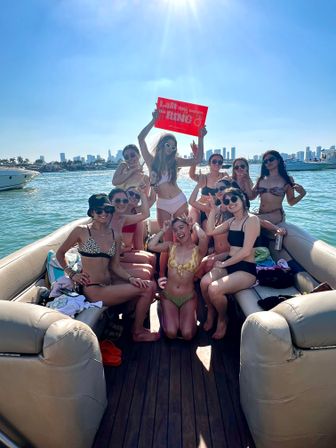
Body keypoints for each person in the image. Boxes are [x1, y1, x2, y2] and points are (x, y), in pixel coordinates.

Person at [56, 193, 159, 342]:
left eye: (107, 210)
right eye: (99, 211)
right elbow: (60, 253)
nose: (104, 214)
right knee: (148, 288)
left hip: (109, 282)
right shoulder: (82, 231)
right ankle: (137, 332)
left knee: (145, 283)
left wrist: (131, 278)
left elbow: (116, 266)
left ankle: (124, 321)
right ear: (92, 212)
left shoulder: (115, 235)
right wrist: (72, 274)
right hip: (94, 289)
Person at [138, 107, 207, 279]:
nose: (170, 148)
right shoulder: (151, 161)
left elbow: (198, 160)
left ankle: (182, 273)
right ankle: (162, 274)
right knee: (167, 242)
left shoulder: (175, 162)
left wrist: (201, 136)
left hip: (178, 201)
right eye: (167, 145)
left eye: (173, 146)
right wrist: (154, 121)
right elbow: (140, 138)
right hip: (162, 204)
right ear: (161, 146)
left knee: (180, 240)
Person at [200, 188, 260, 339]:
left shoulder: (251, 220)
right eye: (226, 201)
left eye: (234, 199)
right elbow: (211, 231)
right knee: (204, 282)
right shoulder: (231, 221)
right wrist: (213, 210)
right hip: (230, 263)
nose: (230, 203)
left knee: (214, 289)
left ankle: (222, 318)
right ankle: (211, 311)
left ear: (243, 199)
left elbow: (246, 251)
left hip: (246, 268)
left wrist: (223, 264)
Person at [148, 217, 208, 340]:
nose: (179, 232)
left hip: (188, 297)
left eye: (181, 227)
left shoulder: (199, 251)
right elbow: (151, 245)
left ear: (188, 228)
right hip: (169, 296)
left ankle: (189, 314)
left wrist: (194, 224)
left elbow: (203, 237)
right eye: (175, 230)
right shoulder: (171, 246)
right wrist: (163, 230)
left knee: (187, 334)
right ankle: (162, 307)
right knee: (171, 333)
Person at [246, 150, 306, 224]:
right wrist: (246, 179)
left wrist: (302, 194)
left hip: (275, 215)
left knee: (248, 219)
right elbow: (251, 197)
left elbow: (291, 202)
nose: (268, 162)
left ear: (278, 160)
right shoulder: (260, 179)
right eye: (265, 161)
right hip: (260, 213)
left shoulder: (287, 179)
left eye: (271, 159)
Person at [108, 187, 155, 279]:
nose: (121, 203)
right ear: (110, 201)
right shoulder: (105, 219)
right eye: (117, 200)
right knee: (146, 271)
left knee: (152, 259)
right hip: (114, 258)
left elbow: (146, 213)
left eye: (124, 201)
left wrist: (142, 193)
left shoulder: (124, 218)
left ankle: (152, 284)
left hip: (122, 253)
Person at [189, 152, 229, 224]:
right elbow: (192, 175)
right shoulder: (204, 177)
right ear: (209, 163)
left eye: (219, 162)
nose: (217, 164)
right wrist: (195, 159)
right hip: (202, 207)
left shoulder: (225, 176)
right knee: (194, 228)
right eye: (214, 161)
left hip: (217, 210)